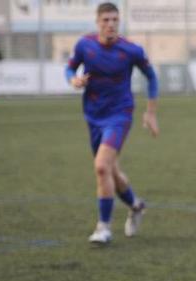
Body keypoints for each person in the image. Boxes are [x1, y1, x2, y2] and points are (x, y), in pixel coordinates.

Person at [65, 2, 158, 245]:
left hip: (119, 115)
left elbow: (152, 77)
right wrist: (73, 80)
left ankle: (103, 228)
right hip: (93, 116)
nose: (110, 24)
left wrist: (150, 112)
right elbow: (70, 68)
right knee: (111, 172)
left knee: (101, 167)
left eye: (115, 20)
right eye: (106, 20)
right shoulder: (85, 45)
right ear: (98, 23)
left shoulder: (131, 50)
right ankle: (136, 206)